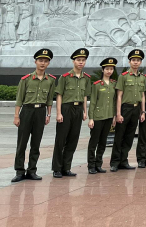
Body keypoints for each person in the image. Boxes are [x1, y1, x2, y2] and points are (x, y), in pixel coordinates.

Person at [12, 48, 55, 182]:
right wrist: (16, 116)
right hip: (27, 111)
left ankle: (32, 170)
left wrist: (48, 114)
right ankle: (19, 171)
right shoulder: (26, 79)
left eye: (46, 61)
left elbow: (49, 99)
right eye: (40, 60)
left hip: (40, 112)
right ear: (35, 62)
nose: (43, 63)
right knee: (22, 143)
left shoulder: (51, 80)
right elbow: (19, 98)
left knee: (36, 143)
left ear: (48, 63)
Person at [52, 48, 91, 177]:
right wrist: (59, 113)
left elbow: (85, 96)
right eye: (78, 60)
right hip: (66, 108)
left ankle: (66, 167)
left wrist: (85, 111)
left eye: (83, 60)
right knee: (61, 139)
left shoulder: (86, 78)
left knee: (73, 139)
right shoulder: (65, 77)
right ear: (73, 61)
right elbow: (59, 95)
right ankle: (57, 168)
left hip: (78, 109)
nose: (81, 62)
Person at [110, 49, 146, 172]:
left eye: (138, 60)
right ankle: (115, 162)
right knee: (119, 136)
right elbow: (119, 96)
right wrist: (118, 114)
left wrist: (143, 111)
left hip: (136, 109)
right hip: (125, 108)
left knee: (130, 136)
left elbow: (142, 96)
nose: (136, 62)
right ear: (130, 61)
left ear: (141, 62)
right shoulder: (123, 76)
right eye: (133, 60)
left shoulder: (142, 77)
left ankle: (123, 161)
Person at [87, 57, 117, 174]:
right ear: (103, 70)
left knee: (103, 142)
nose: (109, 71)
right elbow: (93, 102)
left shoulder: (114, 84)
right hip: (98, 117)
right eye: (107, 69)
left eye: (111, 69)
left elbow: (114, 102)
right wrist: (91, 118)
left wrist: (114, 116)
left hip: (109, 116)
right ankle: (91, 165)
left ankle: (98, 164)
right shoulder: (97, 85)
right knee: (94, 142)